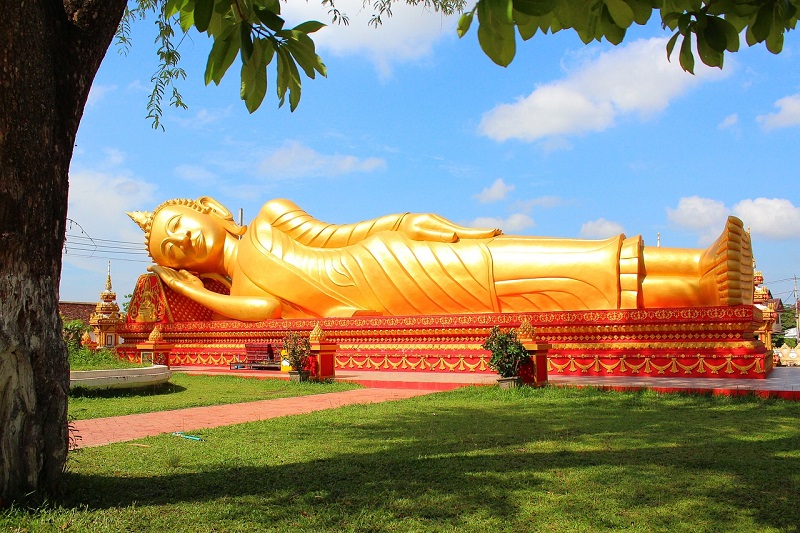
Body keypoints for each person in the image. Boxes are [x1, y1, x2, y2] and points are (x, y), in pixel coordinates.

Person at [128, 197, 753, 321]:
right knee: (523, 288)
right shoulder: (241, 291)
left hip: (390, 258)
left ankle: (696, 262)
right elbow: (266, 309)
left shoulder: (266, 219)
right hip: (382, 302)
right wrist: (190, 289)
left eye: (179, 225)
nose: (180, 240)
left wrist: (408, 220)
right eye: (170, 249)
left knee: (508, 257)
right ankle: (699, 291)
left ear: (210, 208)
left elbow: (339, 232)